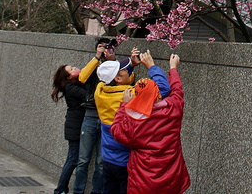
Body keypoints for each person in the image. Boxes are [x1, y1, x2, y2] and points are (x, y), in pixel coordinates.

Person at [111, 54, 189, 194]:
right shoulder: (173, 108)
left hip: (143, 182)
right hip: (171, 177)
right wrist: (173, 68)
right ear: (158, 94)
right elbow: (177, 90)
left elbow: (116, 130)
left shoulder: (134, 122)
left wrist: (124, 106)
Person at [95, 49, 170, 194]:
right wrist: (151, 66)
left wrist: (131, 66)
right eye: (124, 71)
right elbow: (163, 89)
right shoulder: (131, 95)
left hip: (108, 159)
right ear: (117, 79)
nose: (127, 71)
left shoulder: (99, 91)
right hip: (125, 161)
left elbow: (113, 79)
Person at [73, 37, 114, 194]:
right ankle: (78, 191)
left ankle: (96, 191)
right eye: (102, 47)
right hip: (90, 116)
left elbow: (128, 78)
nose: (105, 50)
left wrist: (112, 60)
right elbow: (82, 77)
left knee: (101, 162)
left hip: (106, 119)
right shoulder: (93, 67)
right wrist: (97, 57)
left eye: (108, 47)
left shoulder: (115, 67)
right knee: (83, 160)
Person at [51, 64, 87, 194]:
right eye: (71, 69)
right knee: (72, 159)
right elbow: (86, 94)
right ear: (69, 76)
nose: (75, 68)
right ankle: (60, 189)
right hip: (75, 127)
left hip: (74, 125)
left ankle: (61, 188)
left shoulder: (71, 86)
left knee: (72, 159)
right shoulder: (70, 87)